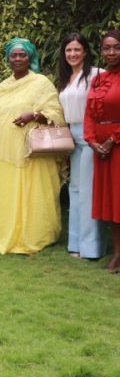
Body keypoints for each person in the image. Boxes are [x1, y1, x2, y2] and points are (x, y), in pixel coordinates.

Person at [0, 38, 65, 255]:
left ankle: (37, 235)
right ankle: (6, 233)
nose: (18, 58)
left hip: (34, 152)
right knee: (7, 192)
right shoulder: (3, 86)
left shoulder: (41, 83)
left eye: (22, 54)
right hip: (7, 152)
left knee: (34, 192)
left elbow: (56, 113)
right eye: (14, 55)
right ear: (8, 59)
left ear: (30, 57)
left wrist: (35, 115)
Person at [57, 32, 104, 259]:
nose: (73, 54)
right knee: (74, 189)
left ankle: (91, 247)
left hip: (90, 136)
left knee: (87, 191)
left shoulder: (97, 75)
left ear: (85, 51)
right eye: (68, 50)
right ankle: (75, 244)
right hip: (72, 137)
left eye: (77, 49)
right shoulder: (66, 78)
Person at [85, 29, 120, 272]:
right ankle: (118, 253)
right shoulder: (98, 78)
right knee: (111, 203)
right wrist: (91, 140)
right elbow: (89, 113)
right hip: (101, 148)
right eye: (106, 48)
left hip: (117, 146)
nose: (111, 52)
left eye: (116, 47)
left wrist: (112, 140)